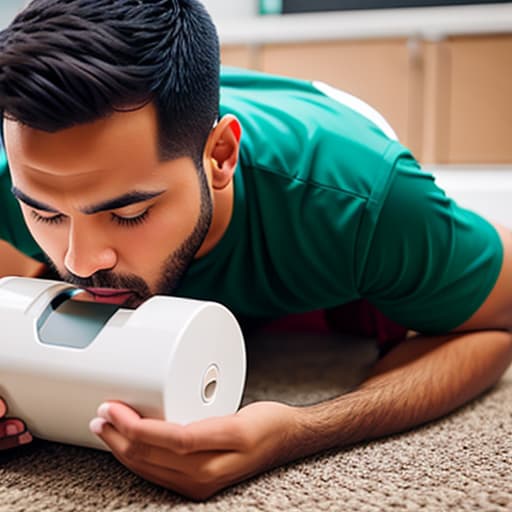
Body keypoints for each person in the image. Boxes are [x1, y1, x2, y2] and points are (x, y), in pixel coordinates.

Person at [0, 0, 511, 501]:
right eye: (45, 213)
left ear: (221, 156)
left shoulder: (362, 200)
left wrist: (301, 431)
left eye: (129, 213)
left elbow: (497, 324)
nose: (80, 262)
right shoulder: (15, 176)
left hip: (323, 246)